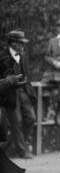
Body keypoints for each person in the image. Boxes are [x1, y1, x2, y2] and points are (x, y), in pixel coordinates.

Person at [0, 31, 36, 159]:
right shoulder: (2, 56)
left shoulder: (23, 56)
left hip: (23, 92)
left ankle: (15, 147)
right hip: (9, 94)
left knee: (31, 118)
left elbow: (27, 76)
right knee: (17, 122)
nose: (22, 46)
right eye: (20, 43)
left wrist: (31, 95)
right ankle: (22, 151)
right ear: (12, 43)